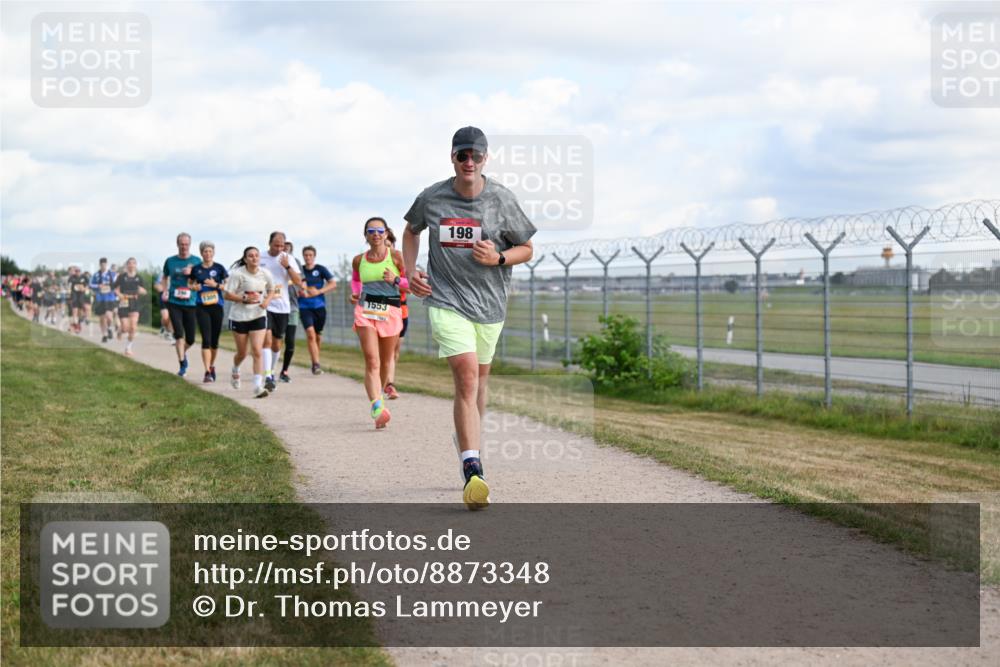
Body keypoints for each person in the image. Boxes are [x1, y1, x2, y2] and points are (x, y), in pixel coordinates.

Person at [402, 126, 536, 510]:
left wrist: (497, 258)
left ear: (485, 158)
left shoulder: (501, 200)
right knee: (466, 377)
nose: (469, 162)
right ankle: (472, 468)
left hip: (490, 306)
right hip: (446, 299)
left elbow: (526, 248)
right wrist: (411, 271)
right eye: (463, 155)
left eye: (476, 156)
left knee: (478, 385)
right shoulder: (432, 197)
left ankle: (468, 440)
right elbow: (411, 231)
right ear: (453, 157)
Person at [352, 217, 406, 429]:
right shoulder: (358, 260)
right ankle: (376, 405)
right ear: (366, 235)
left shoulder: (396, 257)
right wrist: (355, 293)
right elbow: (356, 280)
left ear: (385, 233)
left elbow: (410, 284)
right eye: (371, 231)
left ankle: (380, 400)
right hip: (365, 310)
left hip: (391, 310)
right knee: (372, 361)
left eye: (379, 230)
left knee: (385, 361)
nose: (375, 234)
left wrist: (395, 280)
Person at [224, 247, 275, 398]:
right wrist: (243, 299)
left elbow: (272, 289)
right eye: (250, 256)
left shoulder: (265, 273)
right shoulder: (238, 274)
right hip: (239, 316)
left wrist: (266, 300)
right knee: (242, 353)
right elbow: (226, 295)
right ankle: (235, 369)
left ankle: (257, 386)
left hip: (258, 315)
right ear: (245, 259)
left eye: (256, 255)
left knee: (257, 351)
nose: (254, 258)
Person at [258, 231, 303, 391]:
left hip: (283, 307)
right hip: (265, 305)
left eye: (282, 245)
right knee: (267, 340)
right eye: (276, 245)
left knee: (277, 344)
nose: (279, 248)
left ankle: (272, 370)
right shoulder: (261, 257)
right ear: (269, 243)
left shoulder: (288, 258)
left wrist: (287, 267)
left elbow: (298, 282)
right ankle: (268, 376)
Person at [161, 233, 200, 376]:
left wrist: (192, 273)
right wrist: (165, 290)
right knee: (179, 334)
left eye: (186, 244)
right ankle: (182, 364)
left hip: (191, 302)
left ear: (190, 244)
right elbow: (165, 277)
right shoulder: (170, 261)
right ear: (177, 244)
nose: (184, 247)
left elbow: (201, 280)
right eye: (181, 244)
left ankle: (182, 352)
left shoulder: (196, 260)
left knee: (191, 339)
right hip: (174, 302)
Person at [191, 241, 229, 383]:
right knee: (206, 340)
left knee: (214, 341)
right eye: (205, 251)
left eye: (210, 251)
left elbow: (229, 285)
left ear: (213, 253)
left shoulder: (219, 268)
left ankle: (212, 365)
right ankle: (207, 372)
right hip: (202, 306)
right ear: (201, 253)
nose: (207, 254)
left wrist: (216, 285)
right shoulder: (196, 269)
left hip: (217, 306)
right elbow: (190, 284)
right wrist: (195, 287)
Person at [297, 245, 336, 375]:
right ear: (303, 256)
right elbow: (293, 285)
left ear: (314, 256)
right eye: (306, 255)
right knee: (310, 334)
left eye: (310, 255)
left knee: (318, 336)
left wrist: (319, 291)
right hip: (304, 307)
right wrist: (301, 291)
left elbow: (333, 284)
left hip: (319, 307)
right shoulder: (300, 271)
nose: (308, 257)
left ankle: (315, 358)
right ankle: (316, 364)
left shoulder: (320, 269)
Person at [384, 230, 409, 399]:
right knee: (384, 351)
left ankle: (387, 382)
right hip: (379, 310)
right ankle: (388, 384)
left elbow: (410, 287)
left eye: (388, 245)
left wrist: (395, 279)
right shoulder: (371, 264)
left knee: (394, 351)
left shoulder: (400, 263)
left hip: (400, 310)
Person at [278, 240, 304, 383]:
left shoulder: (295, 262)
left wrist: (302, 290)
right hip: (276, 307)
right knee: (275, 340)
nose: (284, 252)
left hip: (292, 307)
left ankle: (284, 370)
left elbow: (301, 281)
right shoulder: (273, 263)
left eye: (287, 250)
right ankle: (268, 369)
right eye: (282, 249)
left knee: (290, 341)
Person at [113, 257, 147, 356]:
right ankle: (120, 330)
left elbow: (144, 291)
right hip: (124, 302)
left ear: (136, 265)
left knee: (133, 326)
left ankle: (128, 347)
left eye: (133, 263)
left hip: (134, 302)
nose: (131, 265)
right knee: (125, 328)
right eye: (130, 263)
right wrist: (119, 295)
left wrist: (142, 291)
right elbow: (115, 289)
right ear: (127, 265)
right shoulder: (122, 277)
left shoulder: (139, 277)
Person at [90, 258, 117, 343]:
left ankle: (109, 328)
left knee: (109, 316)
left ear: (107, 264)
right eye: (102, 265)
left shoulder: (112, 274)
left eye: (105, 264)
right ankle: (104, 335)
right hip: (100, 298)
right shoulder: (96, 275)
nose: (103, 266)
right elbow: (90, 284)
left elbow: (117, 284)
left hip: (110, 297)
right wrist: (98, 286)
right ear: (100, 265)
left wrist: (111, 287)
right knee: (102, 318)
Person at [67, 266, 89, 334]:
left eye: (78, 271)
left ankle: (80, 320)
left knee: (82, 311)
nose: (77, 272)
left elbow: (88, 285)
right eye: (76, 271)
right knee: (74, 312)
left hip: (81, 297)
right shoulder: (72, 277)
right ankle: (76, 326)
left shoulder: (84, 277)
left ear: (80, 271)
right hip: (74, 296)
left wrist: (84, 289)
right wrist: (69, 292)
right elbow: (69, 286)